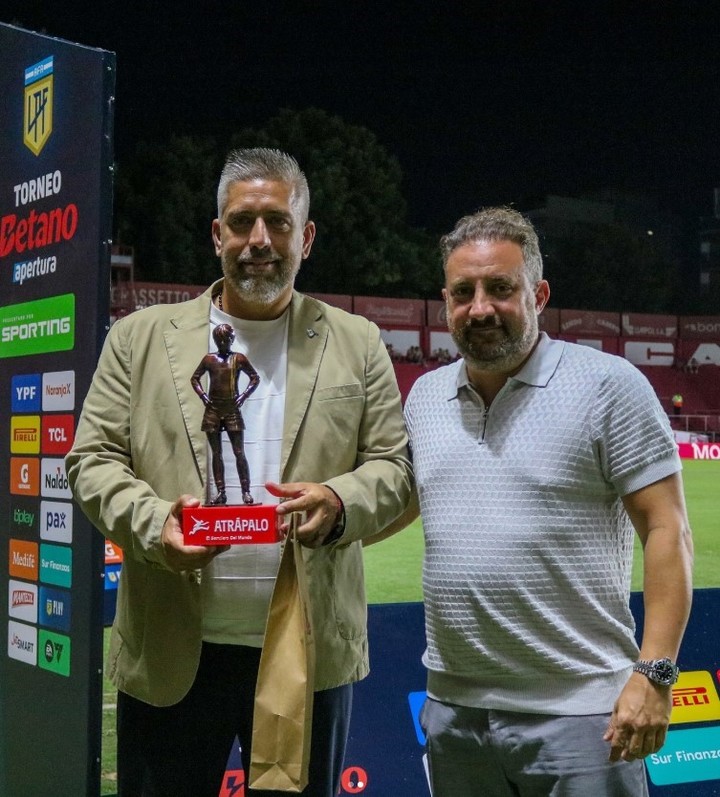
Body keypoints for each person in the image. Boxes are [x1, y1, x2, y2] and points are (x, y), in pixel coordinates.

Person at [65, 147, 412, 797]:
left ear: (305, 237)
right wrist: (159, 521)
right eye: (243, 220)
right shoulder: (138, 338)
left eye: (278, 222)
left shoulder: (358, 341)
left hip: (304, 653)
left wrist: (339, 500)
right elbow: (91, 460)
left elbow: (394, 467)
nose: (260, 239)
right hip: (171, 651)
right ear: (217, 232)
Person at [394, 207, 693, 796]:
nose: (480, 308)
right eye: (463, 292)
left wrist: (655, 676)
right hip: (454, 712)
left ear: (540, 294)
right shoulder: (426, 396)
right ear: (445, 301)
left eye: (500, 288)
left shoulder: (609, 384)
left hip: (582, 717)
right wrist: (326, 509)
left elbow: (667, 530)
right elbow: (400, 502)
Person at [191, 323, 260, 505]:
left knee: (239, 452)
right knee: (216, 453)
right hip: (213, 408)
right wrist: (203, 397)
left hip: (231, 408)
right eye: (220, 340)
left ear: (232, 340)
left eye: (226, 339)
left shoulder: (238, 358)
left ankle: (246, 492)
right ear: (215, 340)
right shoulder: (209, 359)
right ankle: (221, 492)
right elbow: (194, 378)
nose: (223, 343)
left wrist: (244, 396)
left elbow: (255, 377)